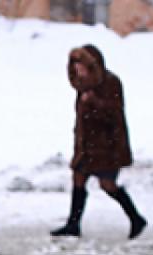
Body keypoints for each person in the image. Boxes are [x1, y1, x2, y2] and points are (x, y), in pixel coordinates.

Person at [51, 45, 146, 240]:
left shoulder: (110, 83)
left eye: (82, 67)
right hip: (87, 146)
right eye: (76, 68)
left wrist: (94, 102)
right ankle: (73, 224)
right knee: (78, 178)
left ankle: (136, 218)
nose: (80, 72)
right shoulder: (83, 86)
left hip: (107, 146)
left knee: (108, 184)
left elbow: (115, 115)